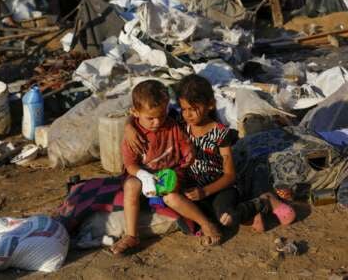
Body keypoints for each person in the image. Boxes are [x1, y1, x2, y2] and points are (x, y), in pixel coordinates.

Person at [125, 75, 296, 235]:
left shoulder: (221, 134)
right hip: (192, 187)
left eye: (193, 109)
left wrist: (205, 192)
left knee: (227, 219)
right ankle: (249, 213)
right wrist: (129, 126)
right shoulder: (180, 124)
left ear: (210, 105)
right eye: (184, 109)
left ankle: (263, 201)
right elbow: (146, 114)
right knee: (188, 222)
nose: (188, 114)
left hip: (219, 187)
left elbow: (229, 176)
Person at [110, 80, 221, 255]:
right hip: (142, 174)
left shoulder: (172, 125)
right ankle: (131, 235)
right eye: (150, 118)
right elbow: (130, 165)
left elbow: (185, 146)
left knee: (171, 198)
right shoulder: (133, 137)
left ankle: (206, 223)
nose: (157, 122)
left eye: (161, 115)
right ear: (135, 112)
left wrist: (189, 153)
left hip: (170, 172)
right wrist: (145, 177)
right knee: (130, 186)